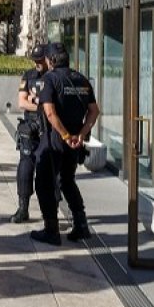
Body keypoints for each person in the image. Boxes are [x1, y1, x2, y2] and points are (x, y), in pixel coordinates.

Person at [28, 42, 99, 246]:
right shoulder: (81, 79)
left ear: (50, 61)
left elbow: (49, 112)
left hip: (55, 140)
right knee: (67, 181)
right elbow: (94, 110)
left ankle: (52, 230)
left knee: (44, 183)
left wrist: (66, 136)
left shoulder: (50, 79)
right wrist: (80, 134)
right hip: (75, 141)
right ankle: (81, 225)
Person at [10, 44, 49, 223]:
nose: (37, 64)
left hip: (49, 127)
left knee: (51, 171)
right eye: (35, 60)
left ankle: (50, 213)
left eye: (40, 60)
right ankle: (23, 208)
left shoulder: (53, 76)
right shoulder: (28, 75)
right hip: (31, 126)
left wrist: (37, 102)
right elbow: (22, 103)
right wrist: (42, 106)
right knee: (25, 167)